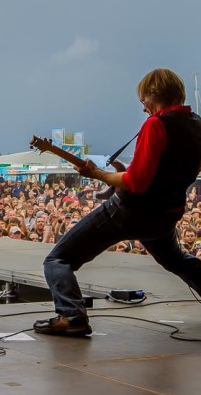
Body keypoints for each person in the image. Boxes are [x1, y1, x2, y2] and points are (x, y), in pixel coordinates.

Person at [34, 68, 201, 337]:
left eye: (144, 99)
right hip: (165, 215)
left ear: (154, 94)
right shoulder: (197, 124)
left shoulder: (156, 124)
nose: (144, 107)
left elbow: (137, 182)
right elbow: (171, 171)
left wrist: (97, 173)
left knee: (58, 259)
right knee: (178, 261)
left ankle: (71, 314)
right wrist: (122, 172)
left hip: (130, 210)